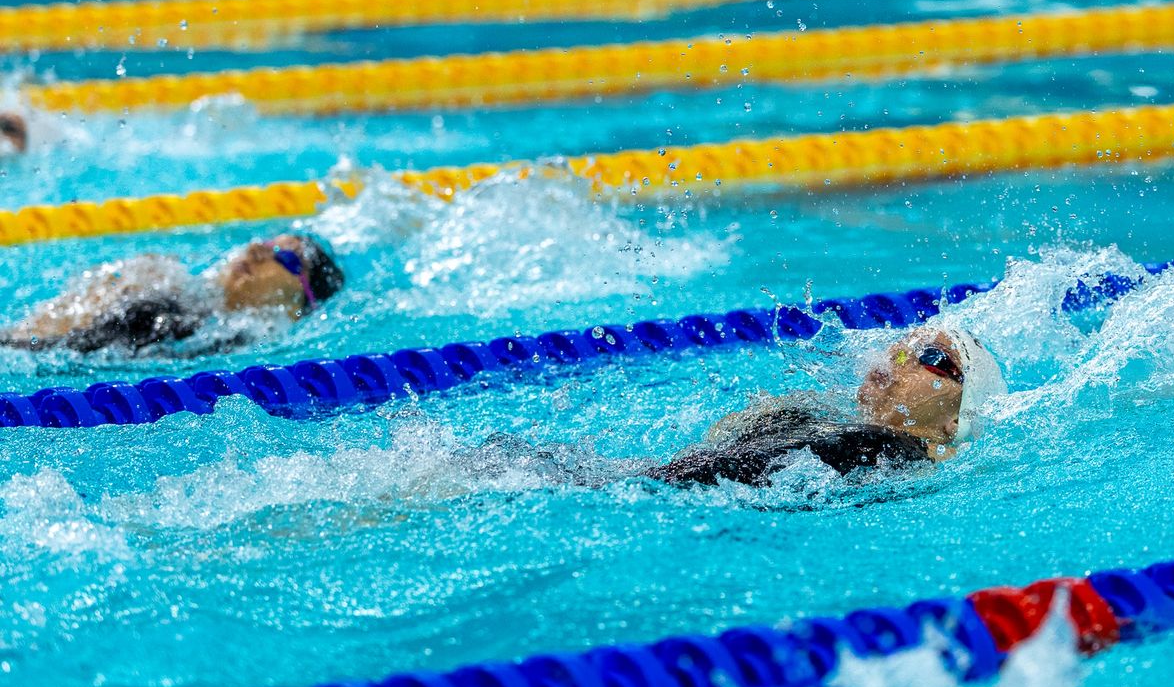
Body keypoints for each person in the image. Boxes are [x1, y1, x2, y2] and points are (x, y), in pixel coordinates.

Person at [467, 327, 1008, 489]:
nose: (901, 358)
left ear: (954, 419)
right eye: (901, 347)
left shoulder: (895, 448)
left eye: (932, 358)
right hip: (632, 482)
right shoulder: (841, 424)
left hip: (629, 488)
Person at [2, 233, 344, 355]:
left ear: (300, 305)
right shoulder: (185, 297)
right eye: (268, 243)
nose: (256, 249)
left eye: (285, 258)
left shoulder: (238, 339)